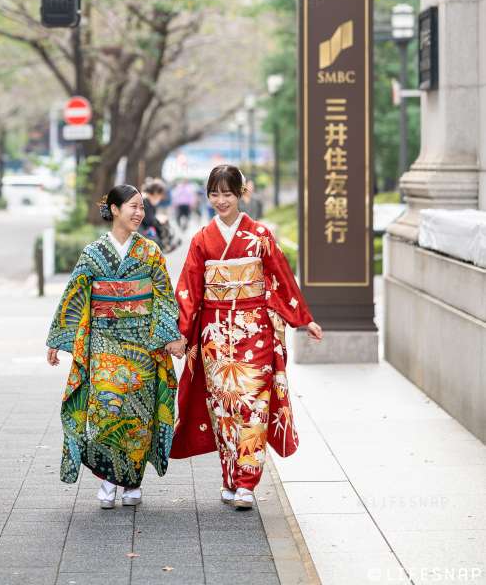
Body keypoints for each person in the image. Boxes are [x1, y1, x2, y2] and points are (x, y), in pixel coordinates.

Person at [171, 164, 322, 510]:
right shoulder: (201, 240)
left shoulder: (260, 235)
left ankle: (246, 482)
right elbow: (189, 289)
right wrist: (180, 334)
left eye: (227, 193)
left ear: (242, 193)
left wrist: (303, 319)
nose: (221, 200)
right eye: (214, 193)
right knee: (223, 406)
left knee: (253, 403)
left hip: (254, 330)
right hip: (214, 333)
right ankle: (230, 474)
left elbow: (282, 280)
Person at [46, 184, 186, 509]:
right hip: (104, 342)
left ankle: (132, 482)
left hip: (142, 343)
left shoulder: (150, 251)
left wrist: (169, 336)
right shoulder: (93, 253)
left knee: (138, 416)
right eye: (132, 207)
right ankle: (109, 479)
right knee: (106, 411)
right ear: (114, 209)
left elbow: (164, 296)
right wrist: (58, 339)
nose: (139, 213)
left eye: (141, 207)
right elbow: (74, 295)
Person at [141, 178, 166, 246]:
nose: (159, 199)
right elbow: (148, 221)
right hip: (141, 231)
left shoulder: (148, 201)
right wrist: (158, 221)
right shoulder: (144, 201)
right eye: (160, 197)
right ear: (155, 193)